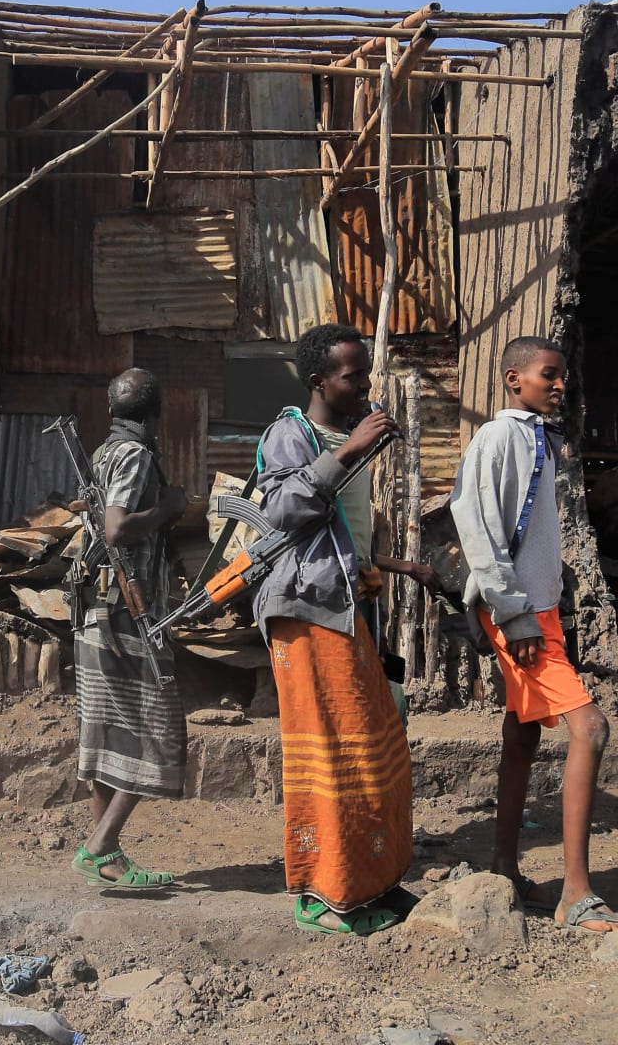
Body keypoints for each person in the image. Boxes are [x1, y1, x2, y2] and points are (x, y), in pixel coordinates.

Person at [450, 335, 618, 936]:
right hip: (518, 613)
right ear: (513, 379)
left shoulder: (540, 439)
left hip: (538, 609)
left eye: (563, 375)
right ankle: (576, 895)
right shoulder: (497, 437)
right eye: (549, 374)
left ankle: (504, 870)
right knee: (590, 727)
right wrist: (513, 614)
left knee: (523, 733)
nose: (561, 385)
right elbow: (477, 527)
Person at [253, 323, 437, 934]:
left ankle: (369, 881)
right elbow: (279, 512)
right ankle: (320, 894)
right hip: (306, 611)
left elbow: (346, 541)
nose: (365, 386)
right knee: (328, 755)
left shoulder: (346, 438)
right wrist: (349, 450)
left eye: (366, 375)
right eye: (353, 377)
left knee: (371, 746)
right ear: (318, 381)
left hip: (348, 607)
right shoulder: (290, 434)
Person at [70, 368, 189, 888]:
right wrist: (169, 508)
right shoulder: (136, 456)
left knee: (110, 737)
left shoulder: (102, 453)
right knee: (161, 733)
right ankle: (98, 847)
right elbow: (116, 528)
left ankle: (107, 858)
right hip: (127, 615)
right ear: (157, 413)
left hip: (96, 611)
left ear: (110, 410)